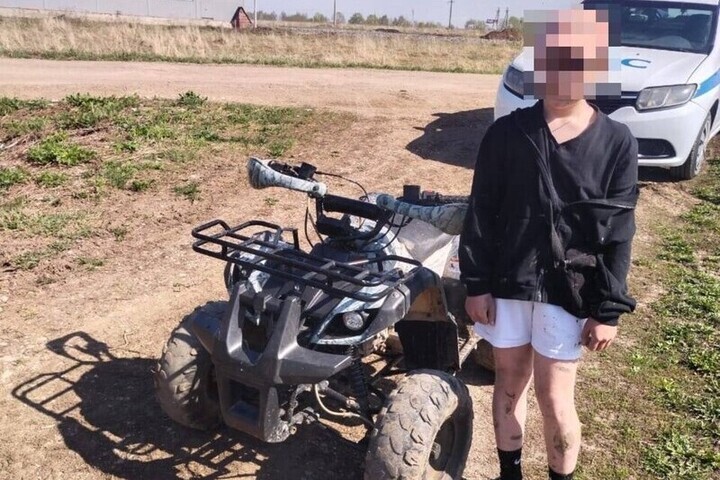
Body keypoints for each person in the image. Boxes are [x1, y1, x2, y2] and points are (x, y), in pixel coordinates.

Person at [459, 8, 638, 480]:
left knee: (555, 397)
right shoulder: (505, 134)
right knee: (508, 384)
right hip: (508, 282)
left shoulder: (617, 142)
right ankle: (510, 473)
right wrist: (476, 284)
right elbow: (481, 213)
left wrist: (608, 310)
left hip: (569, 289)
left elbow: (618, 233)